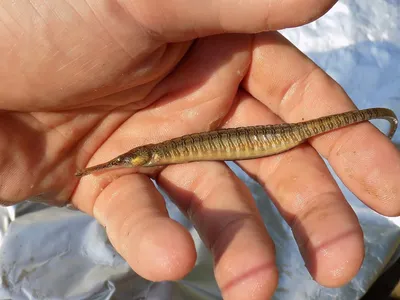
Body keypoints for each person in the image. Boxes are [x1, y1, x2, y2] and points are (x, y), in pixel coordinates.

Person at [0, 1, 399, 299]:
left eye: (125, 160)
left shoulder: (151, 152)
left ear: (144, 157)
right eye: (124, 161)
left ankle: (382, 114)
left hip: (268, 137)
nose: (121, 164)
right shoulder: (147, 152)